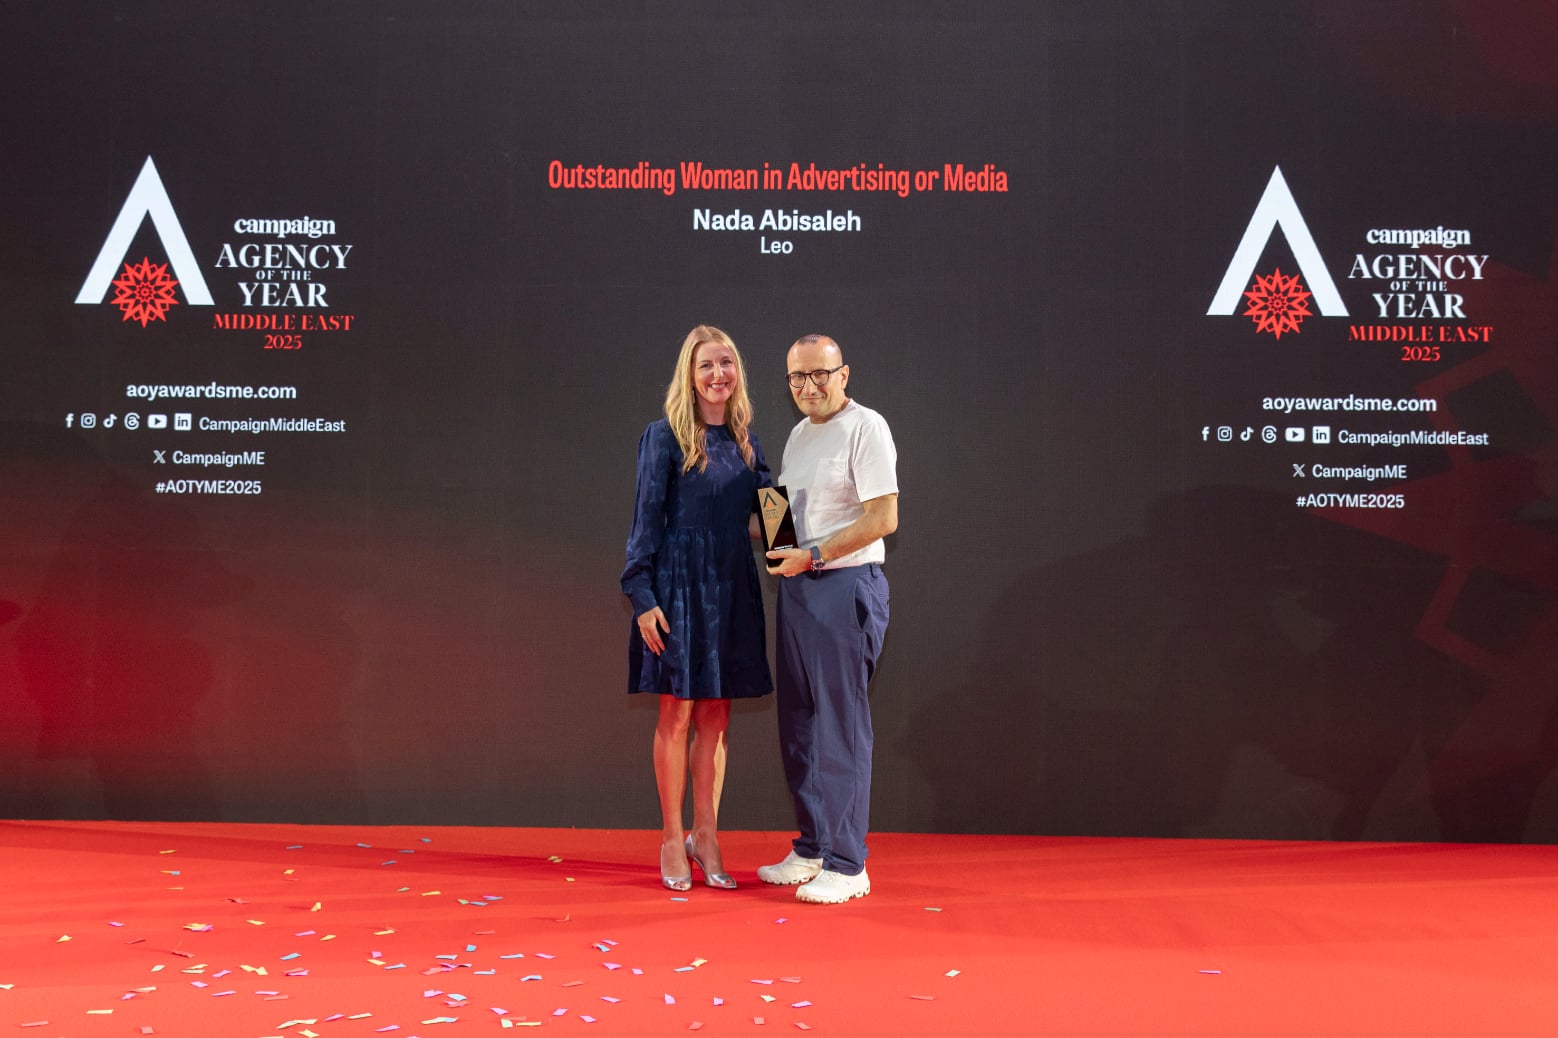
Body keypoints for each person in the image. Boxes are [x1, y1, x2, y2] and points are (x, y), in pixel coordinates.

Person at [622, 325, 774, 892]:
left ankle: (705, 836)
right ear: (689, 374)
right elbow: (645, 521)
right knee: (677, 714)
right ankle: (671, 837)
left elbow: (773, 521)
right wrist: (642, 597)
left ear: (738, 373)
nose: (718, 374)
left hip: (731, 587)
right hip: (678, 588)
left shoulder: (748, 441)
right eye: (707, 364)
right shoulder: (663, 437)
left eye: (726, 363)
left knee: (717, 716)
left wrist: (812, 542)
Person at [760, 334, 897, 904]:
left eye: (820, 374)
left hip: (844, 587)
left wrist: (813, 555)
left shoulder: (867, 427)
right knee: (798, 724)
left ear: (844, 374)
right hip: (798, 590)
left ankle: (848, 863)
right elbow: (785, 516)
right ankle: (813, 847)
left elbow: (884, 517)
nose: (808, 386)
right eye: (797, 377)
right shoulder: (797, 435)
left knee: (840, 727)